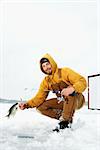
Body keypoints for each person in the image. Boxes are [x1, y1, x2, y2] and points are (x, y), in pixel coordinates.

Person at [19, 53, 87, 132]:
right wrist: (27, 105)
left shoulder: (65, 71)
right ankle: (64, 117)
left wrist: (72, 88)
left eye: (47, 64)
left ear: (52, 63)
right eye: (43, 66)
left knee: (67, 92)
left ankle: (65, 122)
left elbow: (82, 81)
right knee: (41, 107)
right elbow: (39, 98)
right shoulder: (46, 81)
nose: (46, 67)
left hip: (77, 99)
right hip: (64, 101)